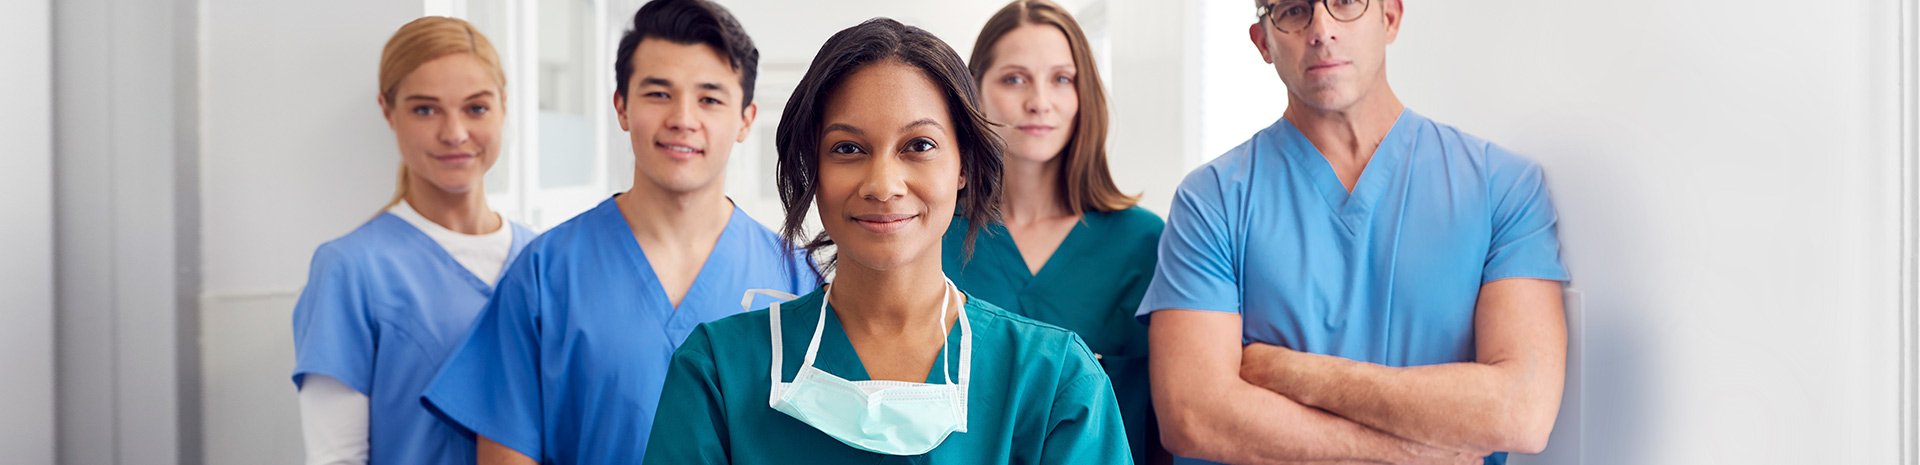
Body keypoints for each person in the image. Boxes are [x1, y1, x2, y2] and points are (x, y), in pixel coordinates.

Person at [642, 18, 1131, 465]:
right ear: (814, 169)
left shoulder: (1054, 382)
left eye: (919, 146)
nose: (882, 184)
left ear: (963, 166)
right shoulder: (718, 371)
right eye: (848, 149)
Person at [1138, 1, 1571, 464]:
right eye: (1293, 10)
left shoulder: (1500, 186)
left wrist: (1295, 373)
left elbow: (1521, 411)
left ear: (1390, 17)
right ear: (1263, 42)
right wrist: (1411, 454)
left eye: (1345, 2)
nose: (1321, 29)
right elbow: (1193, 416)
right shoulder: (1212, 200)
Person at [419, 1, 816, 463]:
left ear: (746, 118)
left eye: (709, 98)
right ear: (622, 106)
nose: (683, 119)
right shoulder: (546, 273)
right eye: (658, 94)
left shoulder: (797, 279)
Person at [290, 16, 533, 465]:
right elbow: (337, 458)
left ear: (504, 105)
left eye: (476, 108)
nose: (454, 133)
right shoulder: (350, 269)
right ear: (388, 111)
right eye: (425, 109)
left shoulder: (543, 259)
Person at [945, 1, 1166, 463]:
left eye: (1061, 79)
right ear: (974, 93)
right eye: (1014, 78)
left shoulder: (1144, 245)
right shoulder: (934, 239)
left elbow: (1161, 422)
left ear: (1084, 95)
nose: (1039, 101)